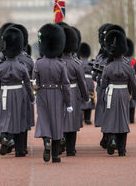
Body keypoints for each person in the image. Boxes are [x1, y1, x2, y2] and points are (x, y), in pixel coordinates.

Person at [33, 23, 73, 163]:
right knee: (57, 123)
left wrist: (34, 95)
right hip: (57, 94)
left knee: (44, 120)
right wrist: (68, 103)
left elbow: (34, 82)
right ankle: (55, 156)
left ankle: (46, 142)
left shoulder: (38, 64)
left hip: (42, 93)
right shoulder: (61, 64)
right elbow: (66, 85)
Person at [0, 27, 35, 157]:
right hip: (20, 93)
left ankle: (6, 138)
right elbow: (29, 82)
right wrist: (31, 97)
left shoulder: (0, 64)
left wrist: (0, 92)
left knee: (6, 118)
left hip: (5, 93)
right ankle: (20, 149)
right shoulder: (24, 63)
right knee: (20, 119)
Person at [101, 29, 136, 156]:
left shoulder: (107, 67)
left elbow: (103, 85)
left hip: (111, 94)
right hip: (123, 94)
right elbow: (134, 84)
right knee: (123, 120)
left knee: (110, 118)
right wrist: (134, 96)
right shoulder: (128, 67)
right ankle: (121, 150)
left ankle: (111, 139)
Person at [60, 26, 89, 156]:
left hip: (59, 93)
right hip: (73, 93)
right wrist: (86, 97)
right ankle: (71, 149)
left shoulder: (57, 62)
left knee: (60, 119)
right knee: (72, 122)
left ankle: (60, 142)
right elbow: (82, 82)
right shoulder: (76, 64)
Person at [125, 38, 136, 123]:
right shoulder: (134, 61)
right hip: (133, 82)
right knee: (133, 98)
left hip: (124, 82)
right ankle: (132, 118)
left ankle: (126, 117)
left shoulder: (122, 60)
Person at [78, 42, 95, 125]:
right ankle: (87, 118)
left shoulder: (78, 62)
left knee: (81, 98)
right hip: (90, 81)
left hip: (81, 81)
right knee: (90, 97)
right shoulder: (91, 62)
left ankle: (80, 118)